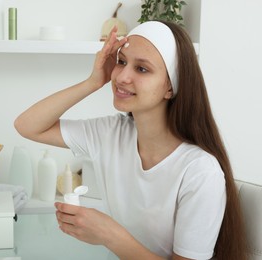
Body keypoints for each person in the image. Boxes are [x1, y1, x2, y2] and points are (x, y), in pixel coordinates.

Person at [14, 20, 247, 260]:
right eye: (122, 62)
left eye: (142, 69)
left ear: (170, 87)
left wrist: (109, 235)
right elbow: (27, 126)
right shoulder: (110, 133)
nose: (123, 77)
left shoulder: (200, 171)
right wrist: (92, 82)